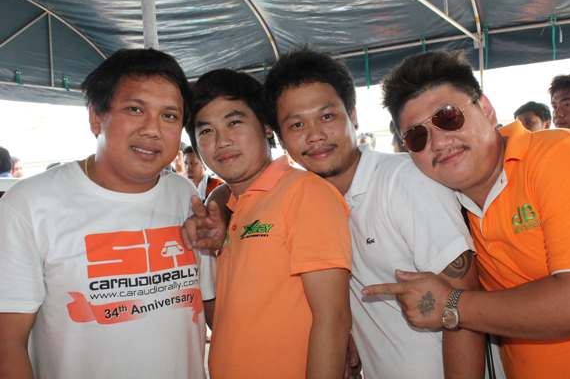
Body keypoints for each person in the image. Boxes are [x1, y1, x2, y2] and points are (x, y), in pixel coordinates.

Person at [363, 50, 570, 379]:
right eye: (417, 136)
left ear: (486, 109)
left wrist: (452, 304)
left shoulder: (558, 154)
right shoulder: (447, 202)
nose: (439, 142)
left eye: (448, 117)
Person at [260, 48, 483, 378]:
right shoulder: (308, 204)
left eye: (327, 116)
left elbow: (464, 305)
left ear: (352, 116)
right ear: (279, 138)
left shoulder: (404, 182)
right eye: (296, 124)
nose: (315, 135)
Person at [0, 48, 214, 379]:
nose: (153, 129)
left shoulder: (185, 196)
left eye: (170, 116)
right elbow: (7, 347)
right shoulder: (29, 204)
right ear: (96, 118)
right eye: (135, 109)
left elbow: (210, 307)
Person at [186, 68, 352, 379]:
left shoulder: (304, 193)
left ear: (265, 126)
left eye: (234, 122)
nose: (222, 141)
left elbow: (333, 319)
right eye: (206, 131)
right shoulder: (231, 208)